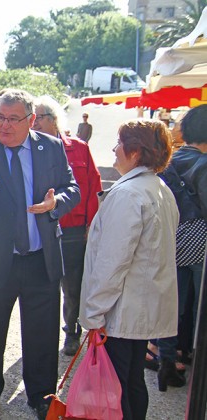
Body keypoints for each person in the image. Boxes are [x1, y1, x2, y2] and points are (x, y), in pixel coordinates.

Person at [0, 88, 80, 420]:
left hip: (40, 258)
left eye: (13, 119)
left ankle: (41, 395)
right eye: (0, 117)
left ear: (31, 120)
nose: (5, 125)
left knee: (42, 332)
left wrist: (55, 204)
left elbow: (73, 188)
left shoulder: (51, 148)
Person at [80, 119, 178, 420]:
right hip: (141, 308)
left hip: (122, 311)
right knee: (132, 382)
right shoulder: (157, 188)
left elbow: (112, 262)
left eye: (119, 144)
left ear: (135, 152)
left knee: (118, 389)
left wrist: (94, 312)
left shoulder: (128, 194)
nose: (114, 149)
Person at [32, 95, 102, 356]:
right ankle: (44, 334)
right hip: (44, 227)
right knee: (45, 285)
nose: (34, 123)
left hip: (73, 229)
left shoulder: (79, 148)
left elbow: (94, 186)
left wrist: (91, 225)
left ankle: (72, 331)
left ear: (53, 120)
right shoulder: (31, 149)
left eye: (38, 117)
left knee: (73, 286)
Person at [155, 104, 207, 391]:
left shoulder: (170, 160)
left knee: (172, 304)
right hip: (200, 243)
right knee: (201, 307)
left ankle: (166, 361)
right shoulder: (204, 163)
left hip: (173, 239)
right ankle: (198, 365)